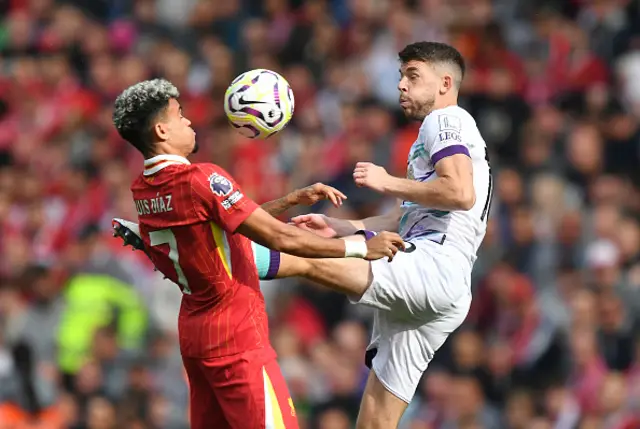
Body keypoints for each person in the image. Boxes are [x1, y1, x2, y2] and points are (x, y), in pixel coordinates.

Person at [115, 41, 491, 429]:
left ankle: (198, 256)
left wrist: (383, 189)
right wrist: (349, 227)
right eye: (400, 76)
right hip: (434, 281)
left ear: (446, 83)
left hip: (433, 267)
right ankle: (199, 253)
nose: (400, 85)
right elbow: (414, 215)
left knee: (307, 258)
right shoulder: (433, 136)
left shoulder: (445, 120)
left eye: (412, 76)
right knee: (375, 420)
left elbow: (460, 193)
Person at [110, 79, 405, 429]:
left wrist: (289, 200)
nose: (189, 122)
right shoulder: (201, 178)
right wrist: (359, 247)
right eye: (180, 116)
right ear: (161, 130)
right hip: (236, 336)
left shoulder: (143, 190)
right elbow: (280, 238)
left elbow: (221, 227)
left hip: (195, 336)